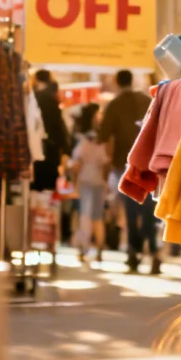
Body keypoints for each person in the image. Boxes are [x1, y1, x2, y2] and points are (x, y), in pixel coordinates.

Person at [99, 69, 161, 275]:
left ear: (116, 82)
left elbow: (103, 135)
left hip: (125, 165)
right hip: (150, 163)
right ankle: (154, 252)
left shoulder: (115, 104)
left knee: (132, 210)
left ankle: (134, 253)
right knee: (150, 210)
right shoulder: (146, 100)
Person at [69, 104, 107, 263]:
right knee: (97, 216)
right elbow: (105, 162)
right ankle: (99, 249)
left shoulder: (82, 139)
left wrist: (74, 182)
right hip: (99, 181)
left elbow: (77, 163)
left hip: (85, 180)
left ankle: (83, 248)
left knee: (84, 215)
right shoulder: (102, 139)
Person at [31, 70, 70, 194]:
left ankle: (39, 210)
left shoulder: (37, 96)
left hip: (41, 145)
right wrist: (64, 147)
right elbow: (58, 124)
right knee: (48, 185)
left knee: (38, 183)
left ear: (36, 79)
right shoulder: (52, 96)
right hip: (51, 147)